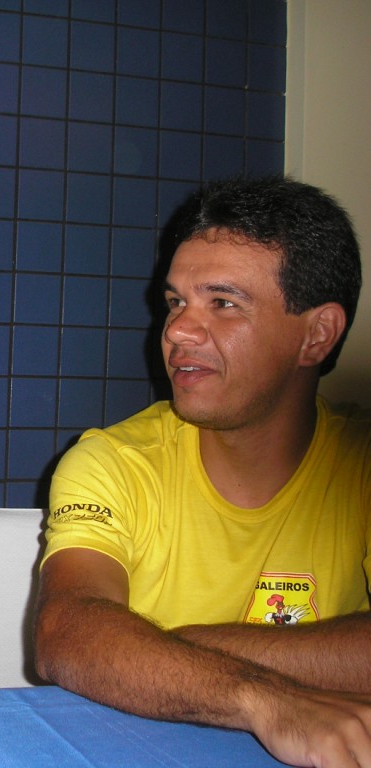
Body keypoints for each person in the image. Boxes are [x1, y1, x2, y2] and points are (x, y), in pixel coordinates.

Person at [34, 176, 371, 767]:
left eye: (223, 303)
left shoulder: (360, 465)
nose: (177, 331)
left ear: (316, 335)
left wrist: (175, 649)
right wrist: (264, 699)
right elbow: (67, 632)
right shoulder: (113, 462)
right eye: (176, 303)